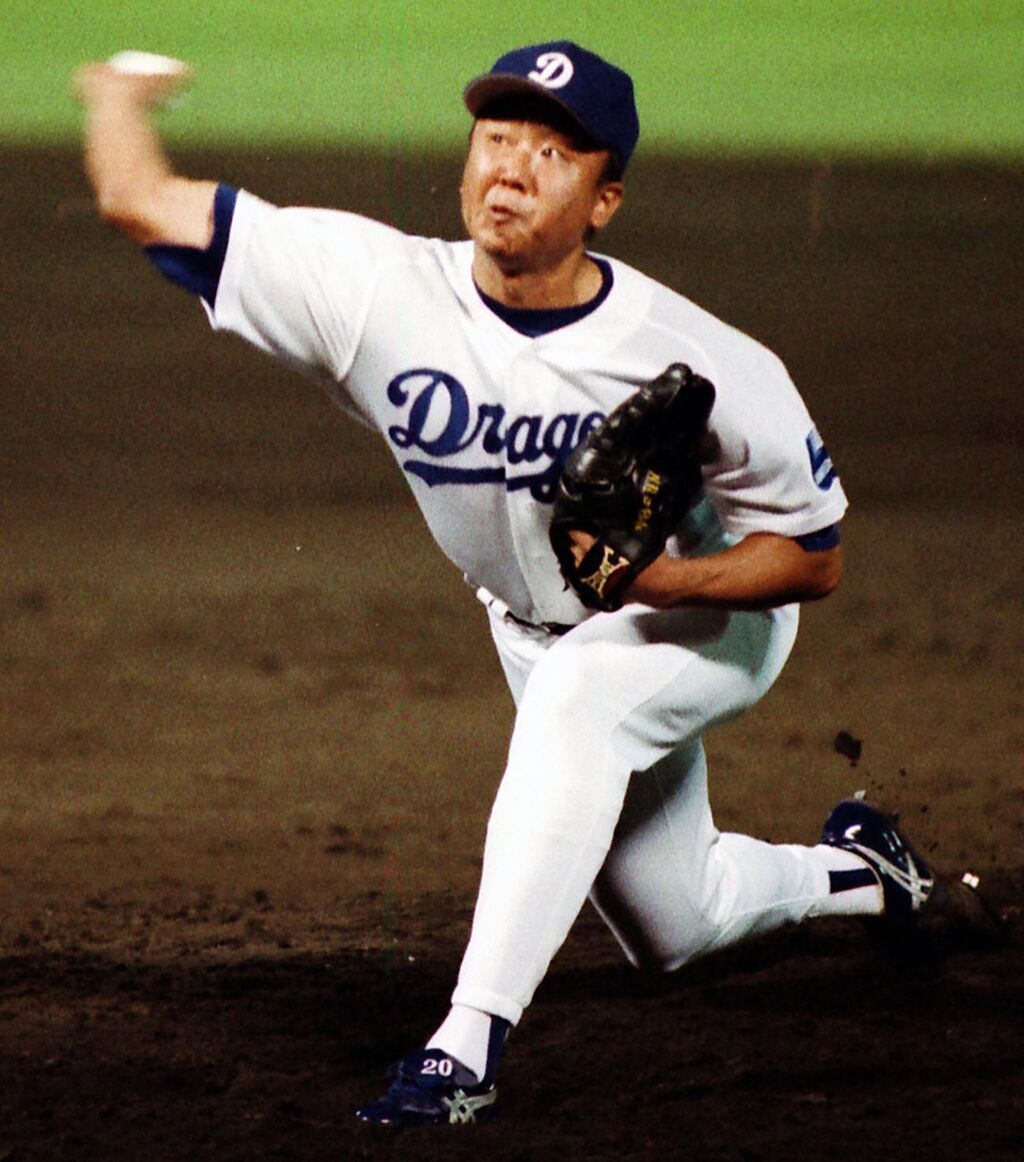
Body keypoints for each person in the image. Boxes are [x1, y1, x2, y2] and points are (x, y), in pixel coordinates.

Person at [74, 41, 937, 1126]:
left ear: (605, 199)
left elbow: (813, 555)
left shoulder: (703, 355)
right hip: (536, 630)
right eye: (496, 138)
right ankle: (867, 873)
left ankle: (465, 1047)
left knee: (579, 696)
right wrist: (112, 92)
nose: (512, 168)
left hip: (706, 620)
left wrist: (669, 579)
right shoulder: (375, 290)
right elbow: (140, 200)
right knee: (679, 925)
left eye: (552, 152)